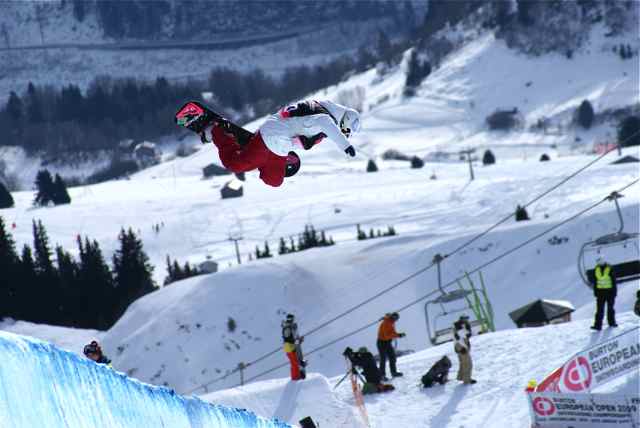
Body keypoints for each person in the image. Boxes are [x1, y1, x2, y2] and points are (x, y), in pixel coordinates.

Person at [209, 99, 360, 187]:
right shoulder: (325, 118)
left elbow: (297, 131)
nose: (343, 134)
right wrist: (345, 145)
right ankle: (216, 130)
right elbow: (325, 122)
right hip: (273, 139)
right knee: (234, 164)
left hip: (277, 141)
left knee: (274, 181)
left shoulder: (321, 108)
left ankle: (257, 156)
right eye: (345, 132)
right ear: (344, 123)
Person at [591, 258, 618, 330]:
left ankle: (612, 323)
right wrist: (595, 292)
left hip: (610, 292)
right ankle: (598, 325)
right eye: (598, 261)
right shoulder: (596, 269)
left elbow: (614, 281)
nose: (599, 262)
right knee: (599, 309)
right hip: (600, 293)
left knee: (610, 308)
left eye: (600, 261)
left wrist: (614, 292)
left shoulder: (609, 268)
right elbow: (595, 282)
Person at [377, 312, 405, 380]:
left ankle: (393, 372)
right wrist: (398, 335)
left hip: (387, 342)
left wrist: (398, 335)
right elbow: (387, 336)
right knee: (383, 359)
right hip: (382, 342)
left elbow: (392, 332)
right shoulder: (386, 323)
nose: (396, 321)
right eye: (396, 319)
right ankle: (381, 375)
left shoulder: (391, 322)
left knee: (392, 357)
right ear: (393, 317)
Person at [453, 315, 476, 385]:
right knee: (468, 363)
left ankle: (461, 377)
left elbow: (456, 338)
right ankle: (467, 380)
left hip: (460, 346)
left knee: (463, 362)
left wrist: (457, 348)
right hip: (462, 346)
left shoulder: (458, 326)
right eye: (466, 319)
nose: (467, 321)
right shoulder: (459, 327)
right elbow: (464, 336)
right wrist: (462, 348)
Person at [282, 314, 305, 381]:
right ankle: (296, 377)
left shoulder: (288, 326)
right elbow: (288, 339)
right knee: (295, 363)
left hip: (290, 347)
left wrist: (298, 340)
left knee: (294, 362)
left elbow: (290, 338)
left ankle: (296, 376)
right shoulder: (287, 327)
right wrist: (298, 341)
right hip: (290, 347)